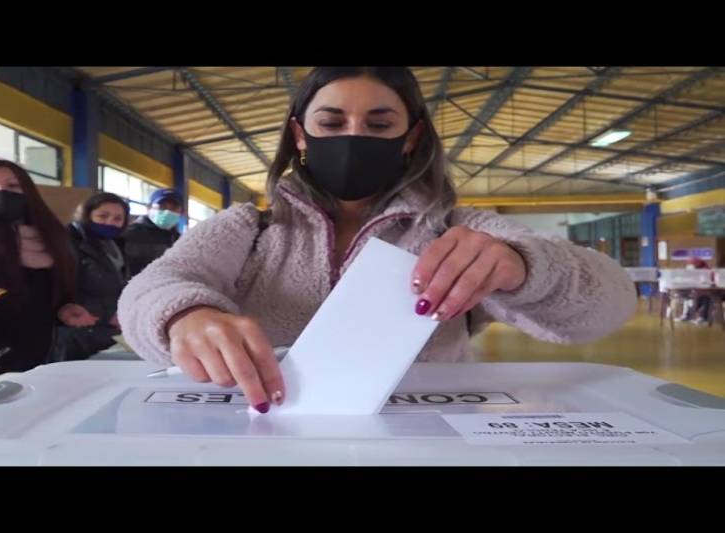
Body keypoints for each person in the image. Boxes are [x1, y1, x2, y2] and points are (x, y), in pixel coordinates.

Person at [116, 67, 637, 414]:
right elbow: (154, 287)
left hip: (423, 439)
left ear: (411, 137)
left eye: (379, 122)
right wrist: (187, 317)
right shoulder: (248, 229)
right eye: (332, 120)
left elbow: (608, 304)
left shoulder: (457, 228)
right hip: (263, 434)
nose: (354, 134)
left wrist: (524, 266)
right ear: (300, 135)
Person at [0, 160, 97, 379]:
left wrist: (65, 310)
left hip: (40, 360)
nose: (2, 193)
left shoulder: (54, 240)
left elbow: (52, 301)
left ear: (28, 191)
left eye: (13, 186)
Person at [51, 192, 131, 360]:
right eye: (102, 216)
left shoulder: (113, 245)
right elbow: (63, 290)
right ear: (87, 215)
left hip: (103, 329)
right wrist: (107, 313)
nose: (110, 222)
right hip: (76, 330)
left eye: (117, 218)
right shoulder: (68, 242)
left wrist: (121, 311)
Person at [122, 188, 183, 277]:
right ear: (149, 208)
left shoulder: (180, 240)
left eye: (174, 208)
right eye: (162, 207)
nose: (168, 212)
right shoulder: (129, 234)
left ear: (181, 212)